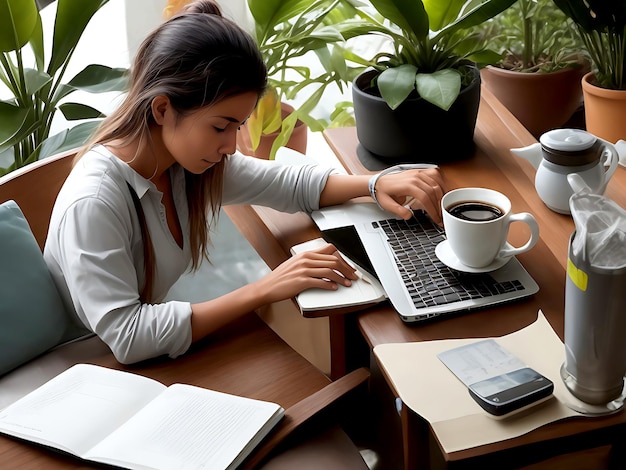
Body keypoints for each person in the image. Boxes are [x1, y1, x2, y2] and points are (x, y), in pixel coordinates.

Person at [44, 0, 444, 365]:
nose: (232, 146)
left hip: (148, 350)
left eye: (237, 126)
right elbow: (128, 337)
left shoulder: (180, 164)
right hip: (84, 366)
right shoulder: (96, 201)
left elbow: (286, 183)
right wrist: (268, 286)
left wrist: (374, 184)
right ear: (163, 108)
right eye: (221, 127)